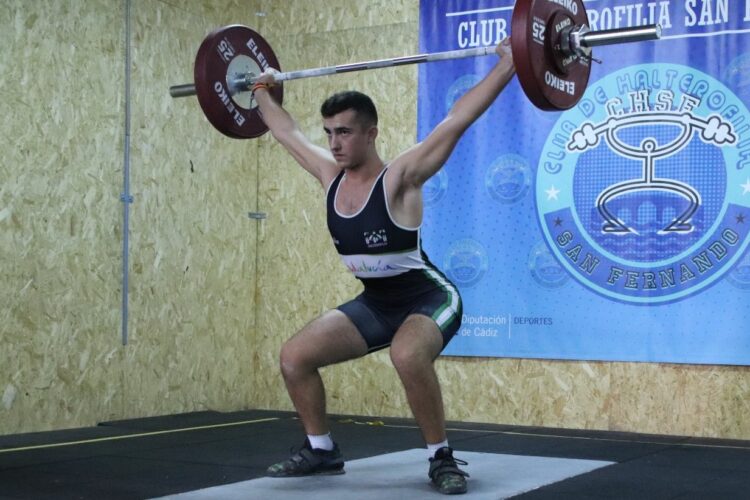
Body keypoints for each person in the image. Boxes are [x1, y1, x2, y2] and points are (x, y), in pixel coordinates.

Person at [251, 38, 515, 495]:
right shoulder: (329, 176)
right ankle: (321, 450)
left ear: (371, 133)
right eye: (330, 132)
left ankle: (441, 457)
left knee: (407, 354)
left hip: (428, 297)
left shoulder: (400, 177)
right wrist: (259, 90)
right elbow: (286, 132)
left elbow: (459, 120)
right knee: (294, 357)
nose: (334, 143)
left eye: (345, 132)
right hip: (377, 303)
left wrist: (510, 64)